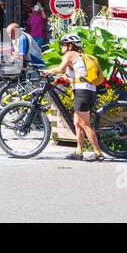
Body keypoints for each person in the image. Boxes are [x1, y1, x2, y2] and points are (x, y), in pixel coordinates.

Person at [45, 33, 106, 161]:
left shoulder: (70, 54)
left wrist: (46, 71)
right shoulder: (80, 57)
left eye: (63, 44)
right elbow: (71, 75)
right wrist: (63, 77)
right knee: (77, 123)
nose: (61, 47)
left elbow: (60, 69)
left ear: (70, 45)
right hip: (87, 91)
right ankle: (79, 151)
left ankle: (98, 153)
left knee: (85, 124)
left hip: (82, 93)